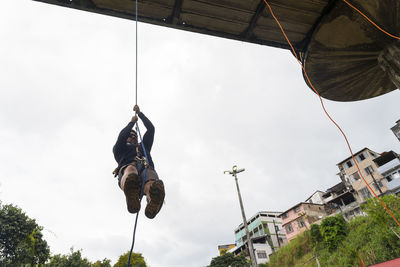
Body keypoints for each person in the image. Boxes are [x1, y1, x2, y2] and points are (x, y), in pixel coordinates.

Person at [113, 105, 165, 219]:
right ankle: (131, 193)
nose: (132, 136)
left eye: (134, 135)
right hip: (128, 170)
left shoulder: (143, 146)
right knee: (131, 171)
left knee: (151, 179)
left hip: (145, 169)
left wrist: (140, 114)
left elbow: (151, 129)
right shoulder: (119, 149)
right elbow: (121, 137)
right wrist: (131, 123)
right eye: (129, 135)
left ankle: (153, 199)